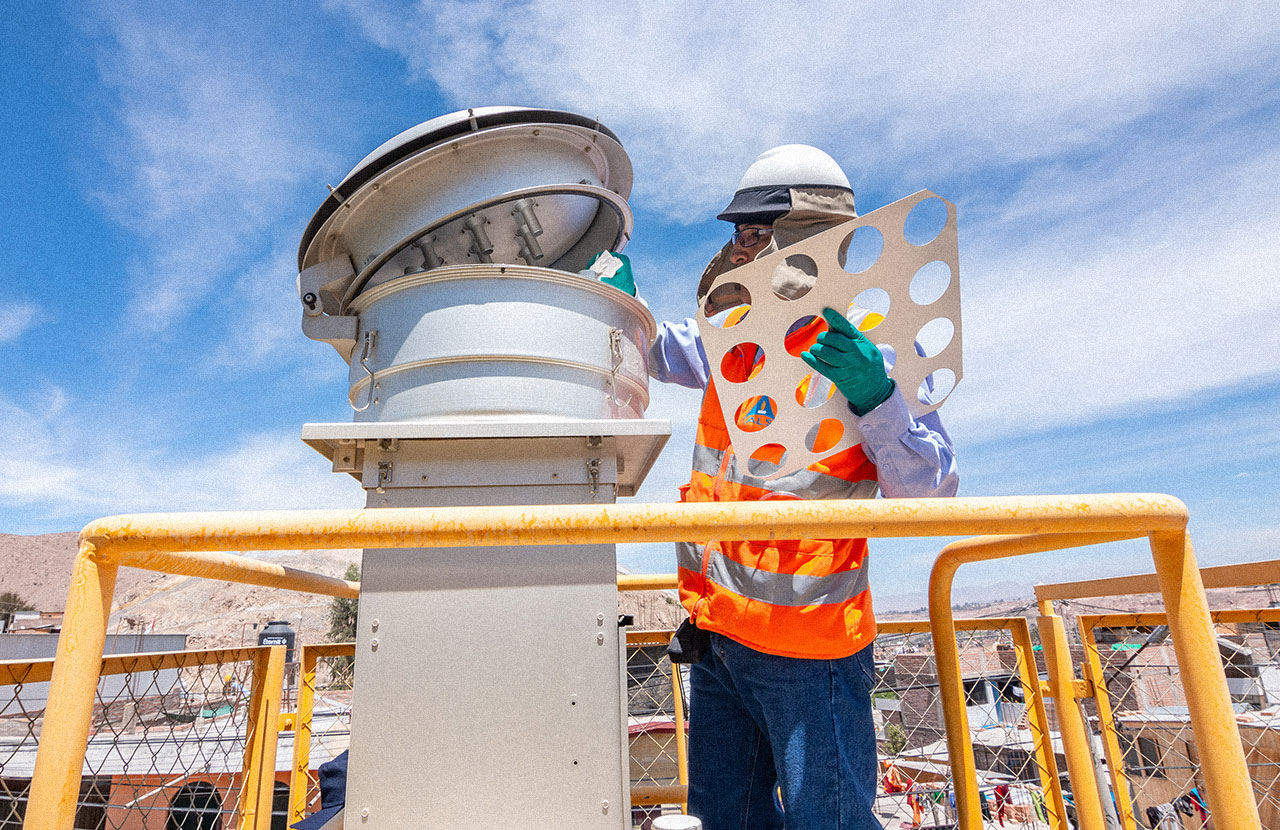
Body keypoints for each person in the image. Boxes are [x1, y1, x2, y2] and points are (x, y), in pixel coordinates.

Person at [645, 145, 959, 830]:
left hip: (809, 651)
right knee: (728, 818)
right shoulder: (737, 345)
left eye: (754, 234)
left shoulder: (874, 353)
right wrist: (612, 297)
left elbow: (928, 492)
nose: (738, 249)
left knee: (830, 821)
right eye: (736, 234)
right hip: (718, 635)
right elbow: (661, 349)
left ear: (806, 239)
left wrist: (875, 398)